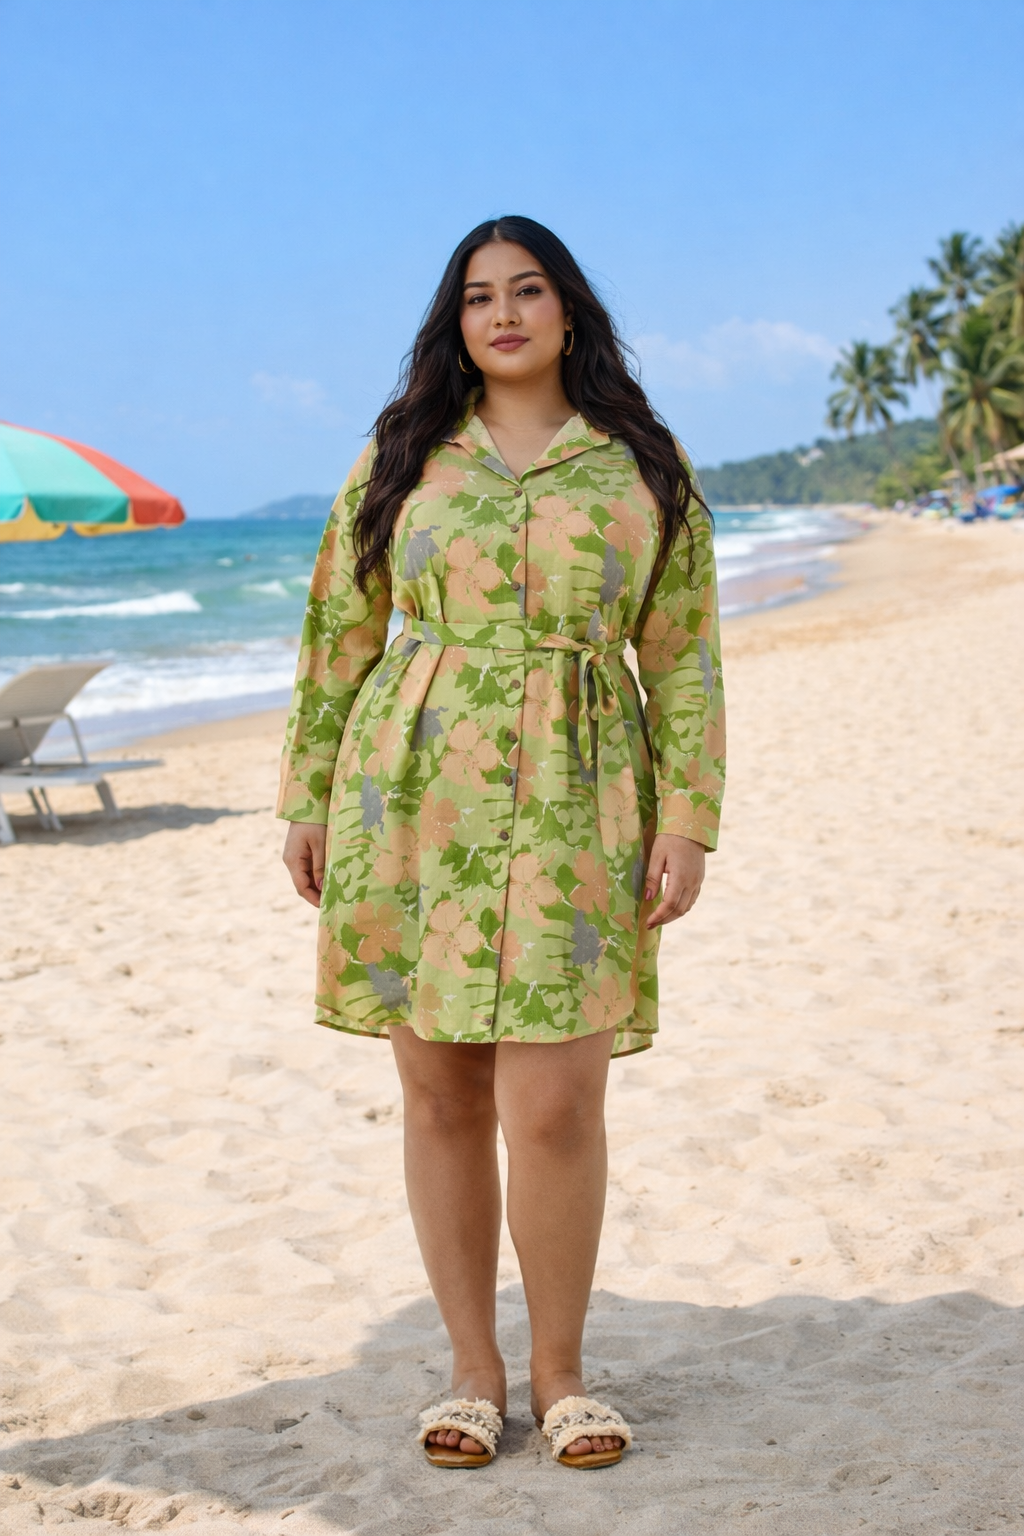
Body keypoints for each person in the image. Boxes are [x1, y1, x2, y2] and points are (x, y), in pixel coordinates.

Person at [280, 216, 725, 1469]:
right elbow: (337, 634)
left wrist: (688, 819)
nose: (505, 314)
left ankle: (563, 1374)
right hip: (408, 797)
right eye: (479, 297)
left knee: (557, 1101)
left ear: (568, 310)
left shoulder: (642, 463)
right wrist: (308, 796)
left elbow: (684, 655)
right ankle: (473, 1369)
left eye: (528, 290)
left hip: (587, 795)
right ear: (455, 323)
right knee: (439, 1094)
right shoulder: (403, 454)